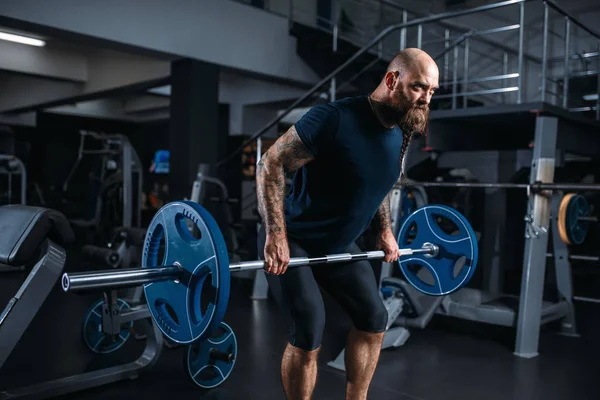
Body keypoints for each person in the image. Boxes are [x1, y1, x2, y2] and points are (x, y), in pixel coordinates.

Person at [255, 48, 439, 400]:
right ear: (392, 80)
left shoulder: (401, 130)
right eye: (419, 87)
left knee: (374, 318)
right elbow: (271, 164)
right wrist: (276, 235)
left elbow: (379, 184)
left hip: (339, 245)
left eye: (432, 92)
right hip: (296, 241)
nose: (426, 99)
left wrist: (383, 229)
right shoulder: (334, 118)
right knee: (310, 327)